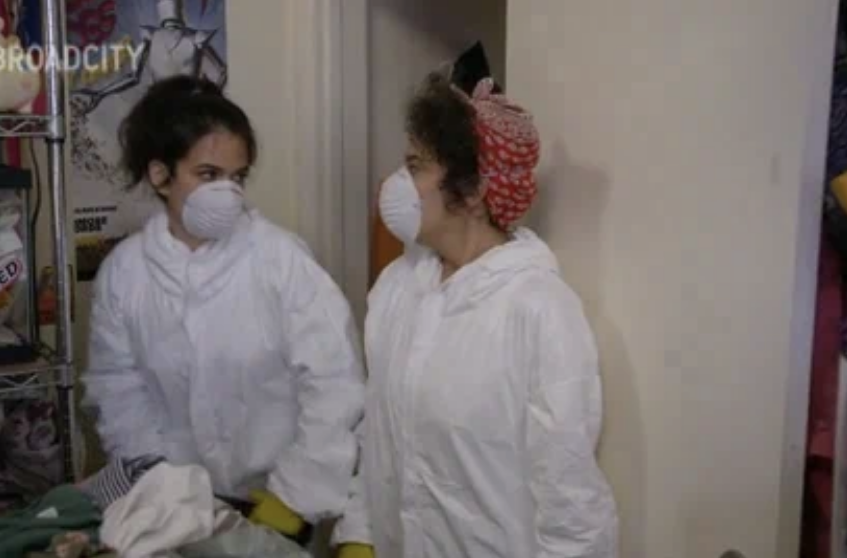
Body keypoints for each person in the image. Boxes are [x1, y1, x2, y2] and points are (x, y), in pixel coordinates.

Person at [333, 74, 619, 557]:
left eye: (415, 165)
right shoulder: (397, 290)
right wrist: (360, 534)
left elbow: (570, 501)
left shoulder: (538, 310)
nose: (395, 183)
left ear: (471, 193)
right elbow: (381, 437)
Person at [82, 75, 366, 548]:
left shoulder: (281, 260)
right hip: (175, 506)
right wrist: (163, 488)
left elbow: (335, 385)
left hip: (280, 503)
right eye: (209, 175)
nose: (228, 194)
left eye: (237, 178)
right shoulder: (125, 274)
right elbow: (118, 390)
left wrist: (293, 498)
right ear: (160, 174)